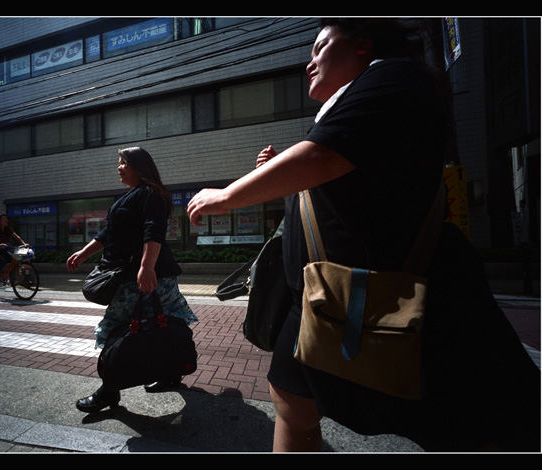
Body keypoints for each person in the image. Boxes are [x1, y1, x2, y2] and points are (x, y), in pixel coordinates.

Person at [187, 18, 540, 452]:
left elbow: (319, 159)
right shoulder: (356, 101)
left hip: (396, 293)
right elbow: (333, 178)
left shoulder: (394, 77)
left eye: (320, 47)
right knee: (291, 400)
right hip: (329, 297)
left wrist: (224, 196)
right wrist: (282, 173)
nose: (309, 63)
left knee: (478, 426)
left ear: (362, 43)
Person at [68, 147, 198, 413]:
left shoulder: (151, 194)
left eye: (123, 163)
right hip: (139, 275)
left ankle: (109, 390)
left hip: (141, 277)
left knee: (120, 327)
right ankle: (171, 371)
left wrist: (146, 266)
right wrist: (84, 253)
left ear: (139, 166)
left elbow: (154, 231)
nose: (119, 167)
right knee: (166, 322)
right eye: (118, 163)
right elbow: (108, 233)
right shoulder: (132, 195)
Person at [0, 213, 28, 281]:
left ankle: (11, 279)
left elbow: (17, 237)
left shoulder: (7, 229)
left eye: (6, 219)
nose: (6, 220)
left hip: (2, 250)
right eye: (3, 219)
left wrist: (24, 244)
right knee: (2, 260)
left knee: (13, 261)